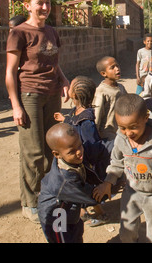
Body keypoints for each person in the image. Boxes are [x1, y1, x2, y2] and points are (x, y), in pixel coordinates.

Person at [5, 0, 70, 223]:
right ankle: (29, 203)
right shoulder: (19, 33)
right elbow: (10, 72)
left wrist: (63, 80)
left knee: (51, 148)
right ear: (27, 6)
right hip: (30, 96)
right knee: (32, 152)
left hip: (52, 94)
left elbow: (55, 63)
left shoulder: (52, 31)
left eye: (48, 3)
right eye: (39, 3)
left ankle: (47, 194)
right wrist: (16, 105)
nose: (45, 7)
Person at [92, 94, 152, 243]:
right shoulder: (121, 139)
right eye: (123, 128)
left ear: (146, 117)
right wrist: (108, 182)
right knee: (126, 233)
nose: (128, 133)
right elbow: (117, 162)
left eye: (133, 127)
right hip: (131, 193)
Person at [54, 75, 113, 227]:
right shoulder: (76, 112)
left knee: (89, 190)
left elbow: (92, 144)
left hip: (85, 163)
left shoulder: (87, 121)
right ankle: (83, 211)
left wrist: (87, 160)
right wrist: (64, 120)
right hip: (78, 160)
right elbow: (73, 124)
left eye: (71, 86)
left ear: (74, 94)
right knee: (78, 188)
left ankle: (101, 214)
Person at [38, 123, 100, 243]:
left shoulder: (67, 158)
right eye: (72, 151)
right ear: (57, 154)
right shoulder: (64, 181)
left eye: (80, 146)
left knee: (76, 235)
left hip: (70, 211)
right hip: (56, 219)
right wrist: (107, 186)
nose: (79, 152)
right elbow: (89, 196)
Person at [93, 56, 127, 141]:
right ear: (104, 73)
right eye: (112, 68)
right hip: (107, 133)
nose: (117, 69)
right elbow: (96, 115)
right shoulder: (101, 91)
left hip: (121, 130)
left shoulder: (121, 87)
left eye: (117, 66)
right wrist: (95, 136)